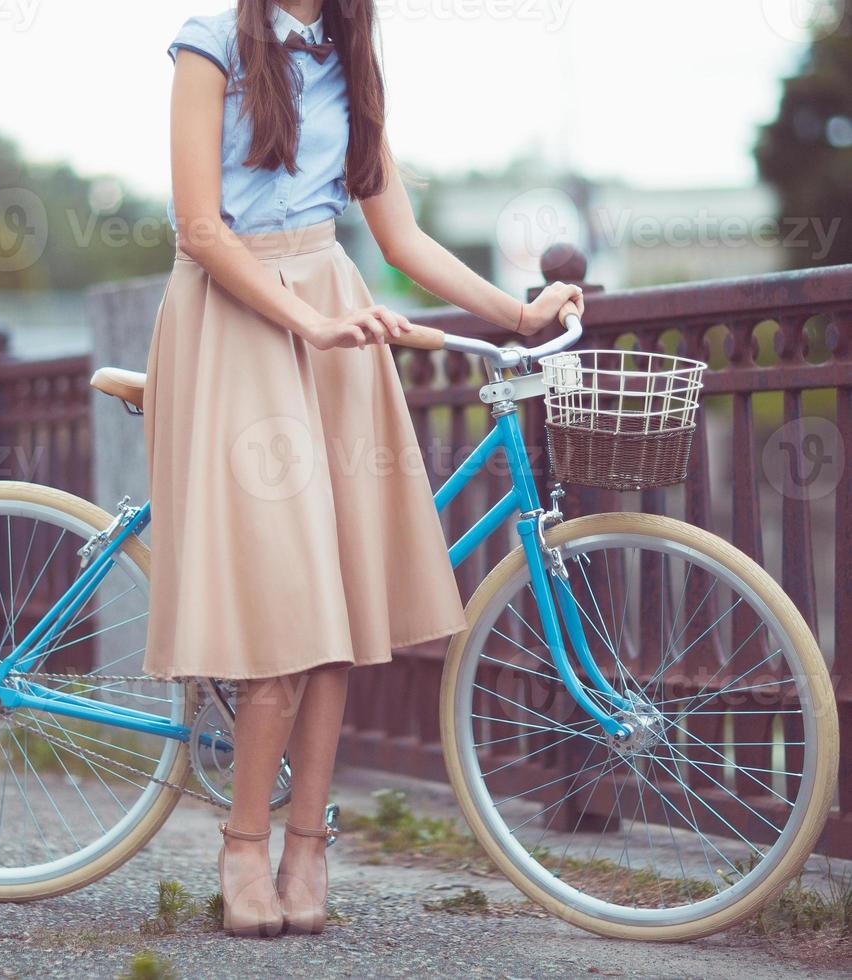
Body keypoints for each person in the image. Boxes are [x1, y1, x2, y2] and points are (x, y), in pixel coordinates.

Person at [141, 0, 584, 938]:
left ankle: (308, 845)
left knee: (338, 601)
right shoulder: (209, 43)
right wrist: (310, 322)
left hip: (333, 312)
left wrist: (518, 315)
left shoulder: (352, 56)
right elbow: (200, 229)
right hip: (238, 320)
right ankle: (240, 843)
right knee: (290, 598)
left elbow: (401, 240)